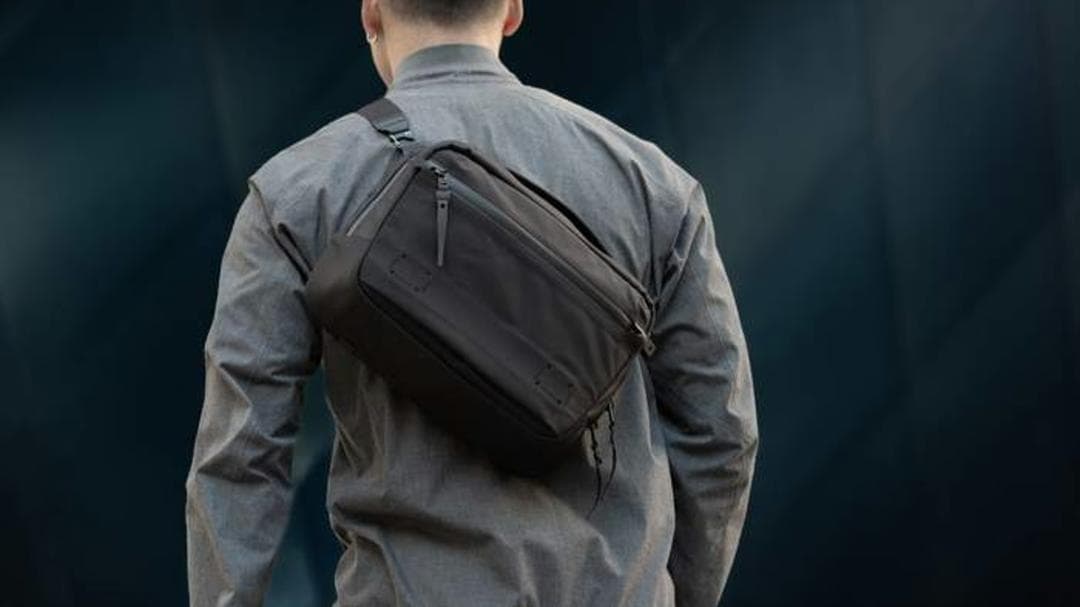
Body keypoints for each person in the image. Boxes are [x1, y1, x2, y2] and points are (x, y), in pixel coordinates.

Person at [184, 0, 759, 605]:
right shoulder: (653, 184)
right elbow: (722, 434)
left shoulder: (296, 192)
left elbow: (239, 456)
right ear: (512, 11)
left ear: (371, 13)